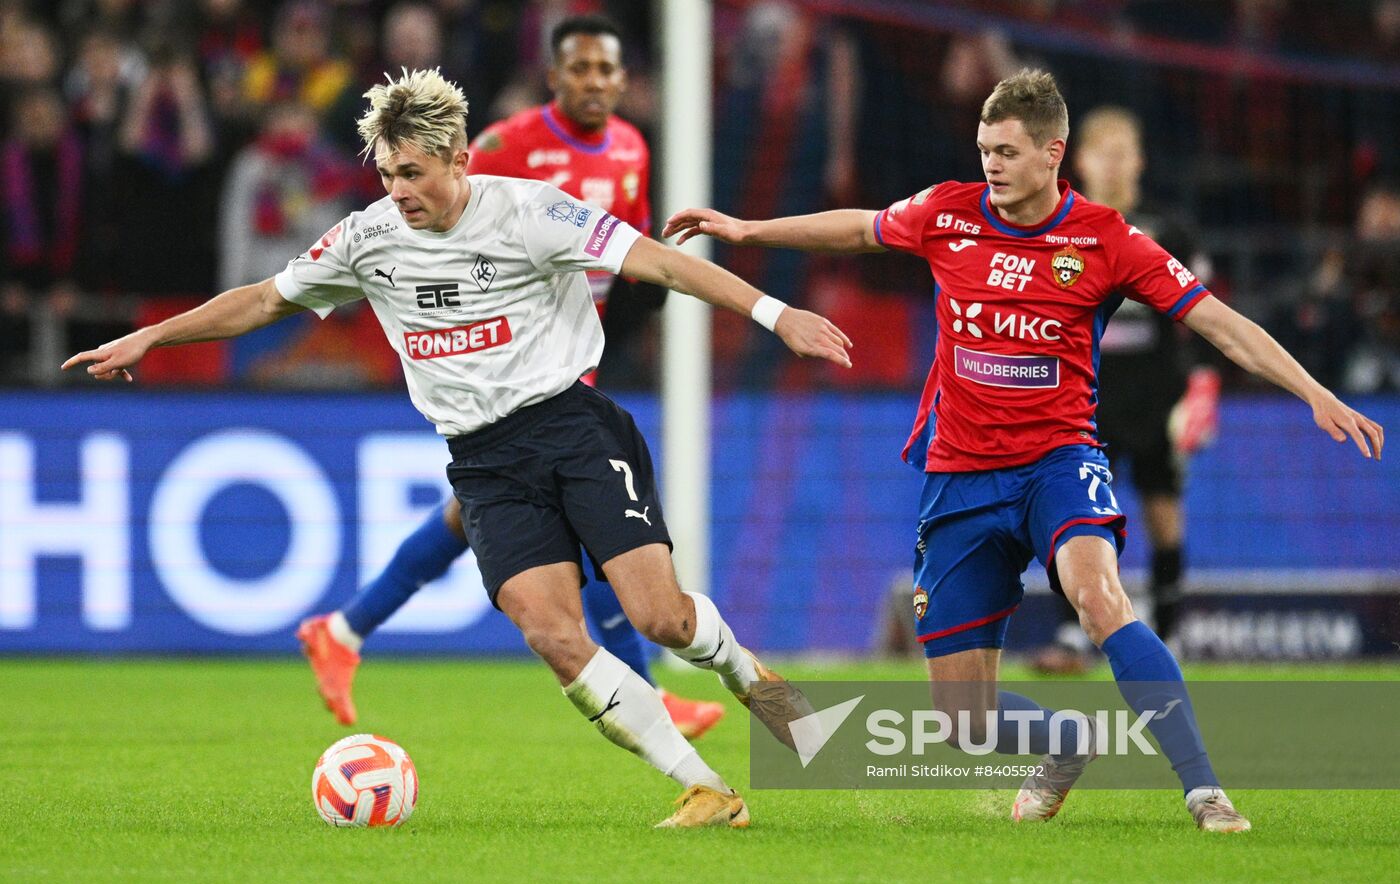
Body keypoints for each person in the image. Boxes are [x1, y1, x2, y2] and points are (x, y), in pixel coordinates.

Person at [65, 67, 850, 829]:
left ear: (459, 158)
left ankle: (760, 685)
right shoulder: (368, 238)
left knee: (663, 619)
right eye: (386, 174)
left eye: (412, 172)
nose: (398, 191)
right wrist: (154, 335)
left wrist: (776, 315)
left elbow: (660, 260)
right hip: (482, 461)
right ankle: (706, 788)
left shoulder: (533, 212)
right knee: (551, 634)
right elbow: (266, 298)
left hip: (570, 428)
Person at [664, 69, 1383, 833]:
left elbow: (1219, 323)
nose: (992, 166)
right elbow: (858, 225)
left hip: (1059, 464)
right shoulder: (948, 213)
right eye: (983, 150)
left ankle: (1204, 791)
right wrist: (745, 230)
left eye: (1006, 151)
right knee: (963, 722)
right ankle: (1066, 743)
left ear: (1052, 153)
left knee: (1102, 599)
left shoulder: (1105, 239)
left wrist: (1312, 390)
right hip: (959, 477)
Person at [295, 15, 724, 741]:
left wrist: (644, 301)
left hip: (569, 346)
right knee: (565, 510)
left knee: (483, 510)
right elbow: (461, 220)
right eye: (580, 69)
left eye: (607, 70)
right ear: (554, 77)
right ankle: (649, 688)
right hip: (508, 353)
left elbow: (631, 241)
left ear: (624, 80)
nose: (594, 82)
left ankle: (344, 629)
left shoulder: (630, 146)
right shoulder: (506, 145)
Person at [1033, 106, 1219, 673]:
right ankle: (1071, 634)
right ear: (1078, 159)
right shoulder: (1055, 225)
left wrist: (1201, 389)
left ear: (1139, 160)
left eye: (1124, 152)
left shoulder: (1169, 231)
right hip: (1082, 394)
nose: (1113, 164)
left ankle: (1169, 634)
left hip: (1157, 391)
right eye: (1102, 152)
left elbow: (1202, 318)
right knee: (1075, 513)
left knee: (1163, 509)